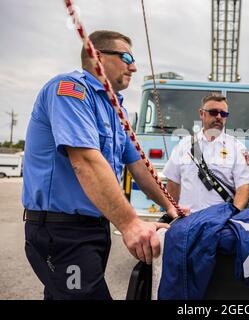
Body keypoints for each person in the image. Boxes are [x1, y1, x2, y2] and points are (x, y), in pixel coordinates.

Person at [22, 30, 188, 300]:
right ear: (96, 56)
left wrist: (171, 206)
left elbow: (139, 167)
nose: (133, 66)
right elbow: (86, 161)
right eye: (125, 57)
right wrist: (131, 224)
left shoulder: (115, 108)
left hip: (94, 229)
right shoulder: (70, 90)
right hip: (61, 232)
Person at [163, 93, 249, 212]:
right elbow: (173, 183)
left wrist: (232, 216)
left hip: (220, 223)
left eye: (223, 114)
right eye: (213, 112)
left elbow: (244, 188)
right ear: (202, 114)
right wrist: (173, 212)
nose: (219, 117)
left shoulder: (237, 148)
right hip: (187, 220)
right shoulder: (184, 146)